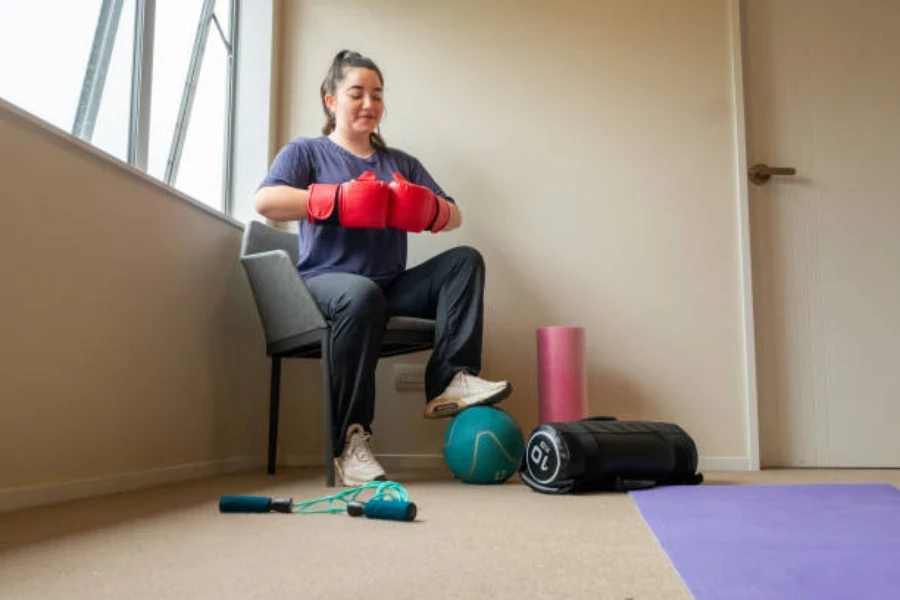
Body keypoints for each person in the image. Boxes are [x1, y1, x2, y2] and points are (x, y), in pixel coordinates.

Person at [254, 50, 512, 486]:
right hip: (325, 283)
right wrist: (335, 199)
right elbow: (265, 202)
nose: (369, 103)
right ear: (331, 100)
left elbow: (455, 215)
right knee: (361, 293)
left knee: (464, 261)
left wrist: (425, 208)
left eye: (377, 94)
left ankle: (451, 378)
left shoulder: (400, 163)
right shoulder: (307, 152)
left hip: (389, 285)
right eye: (357, 93)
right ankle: (350, 441)